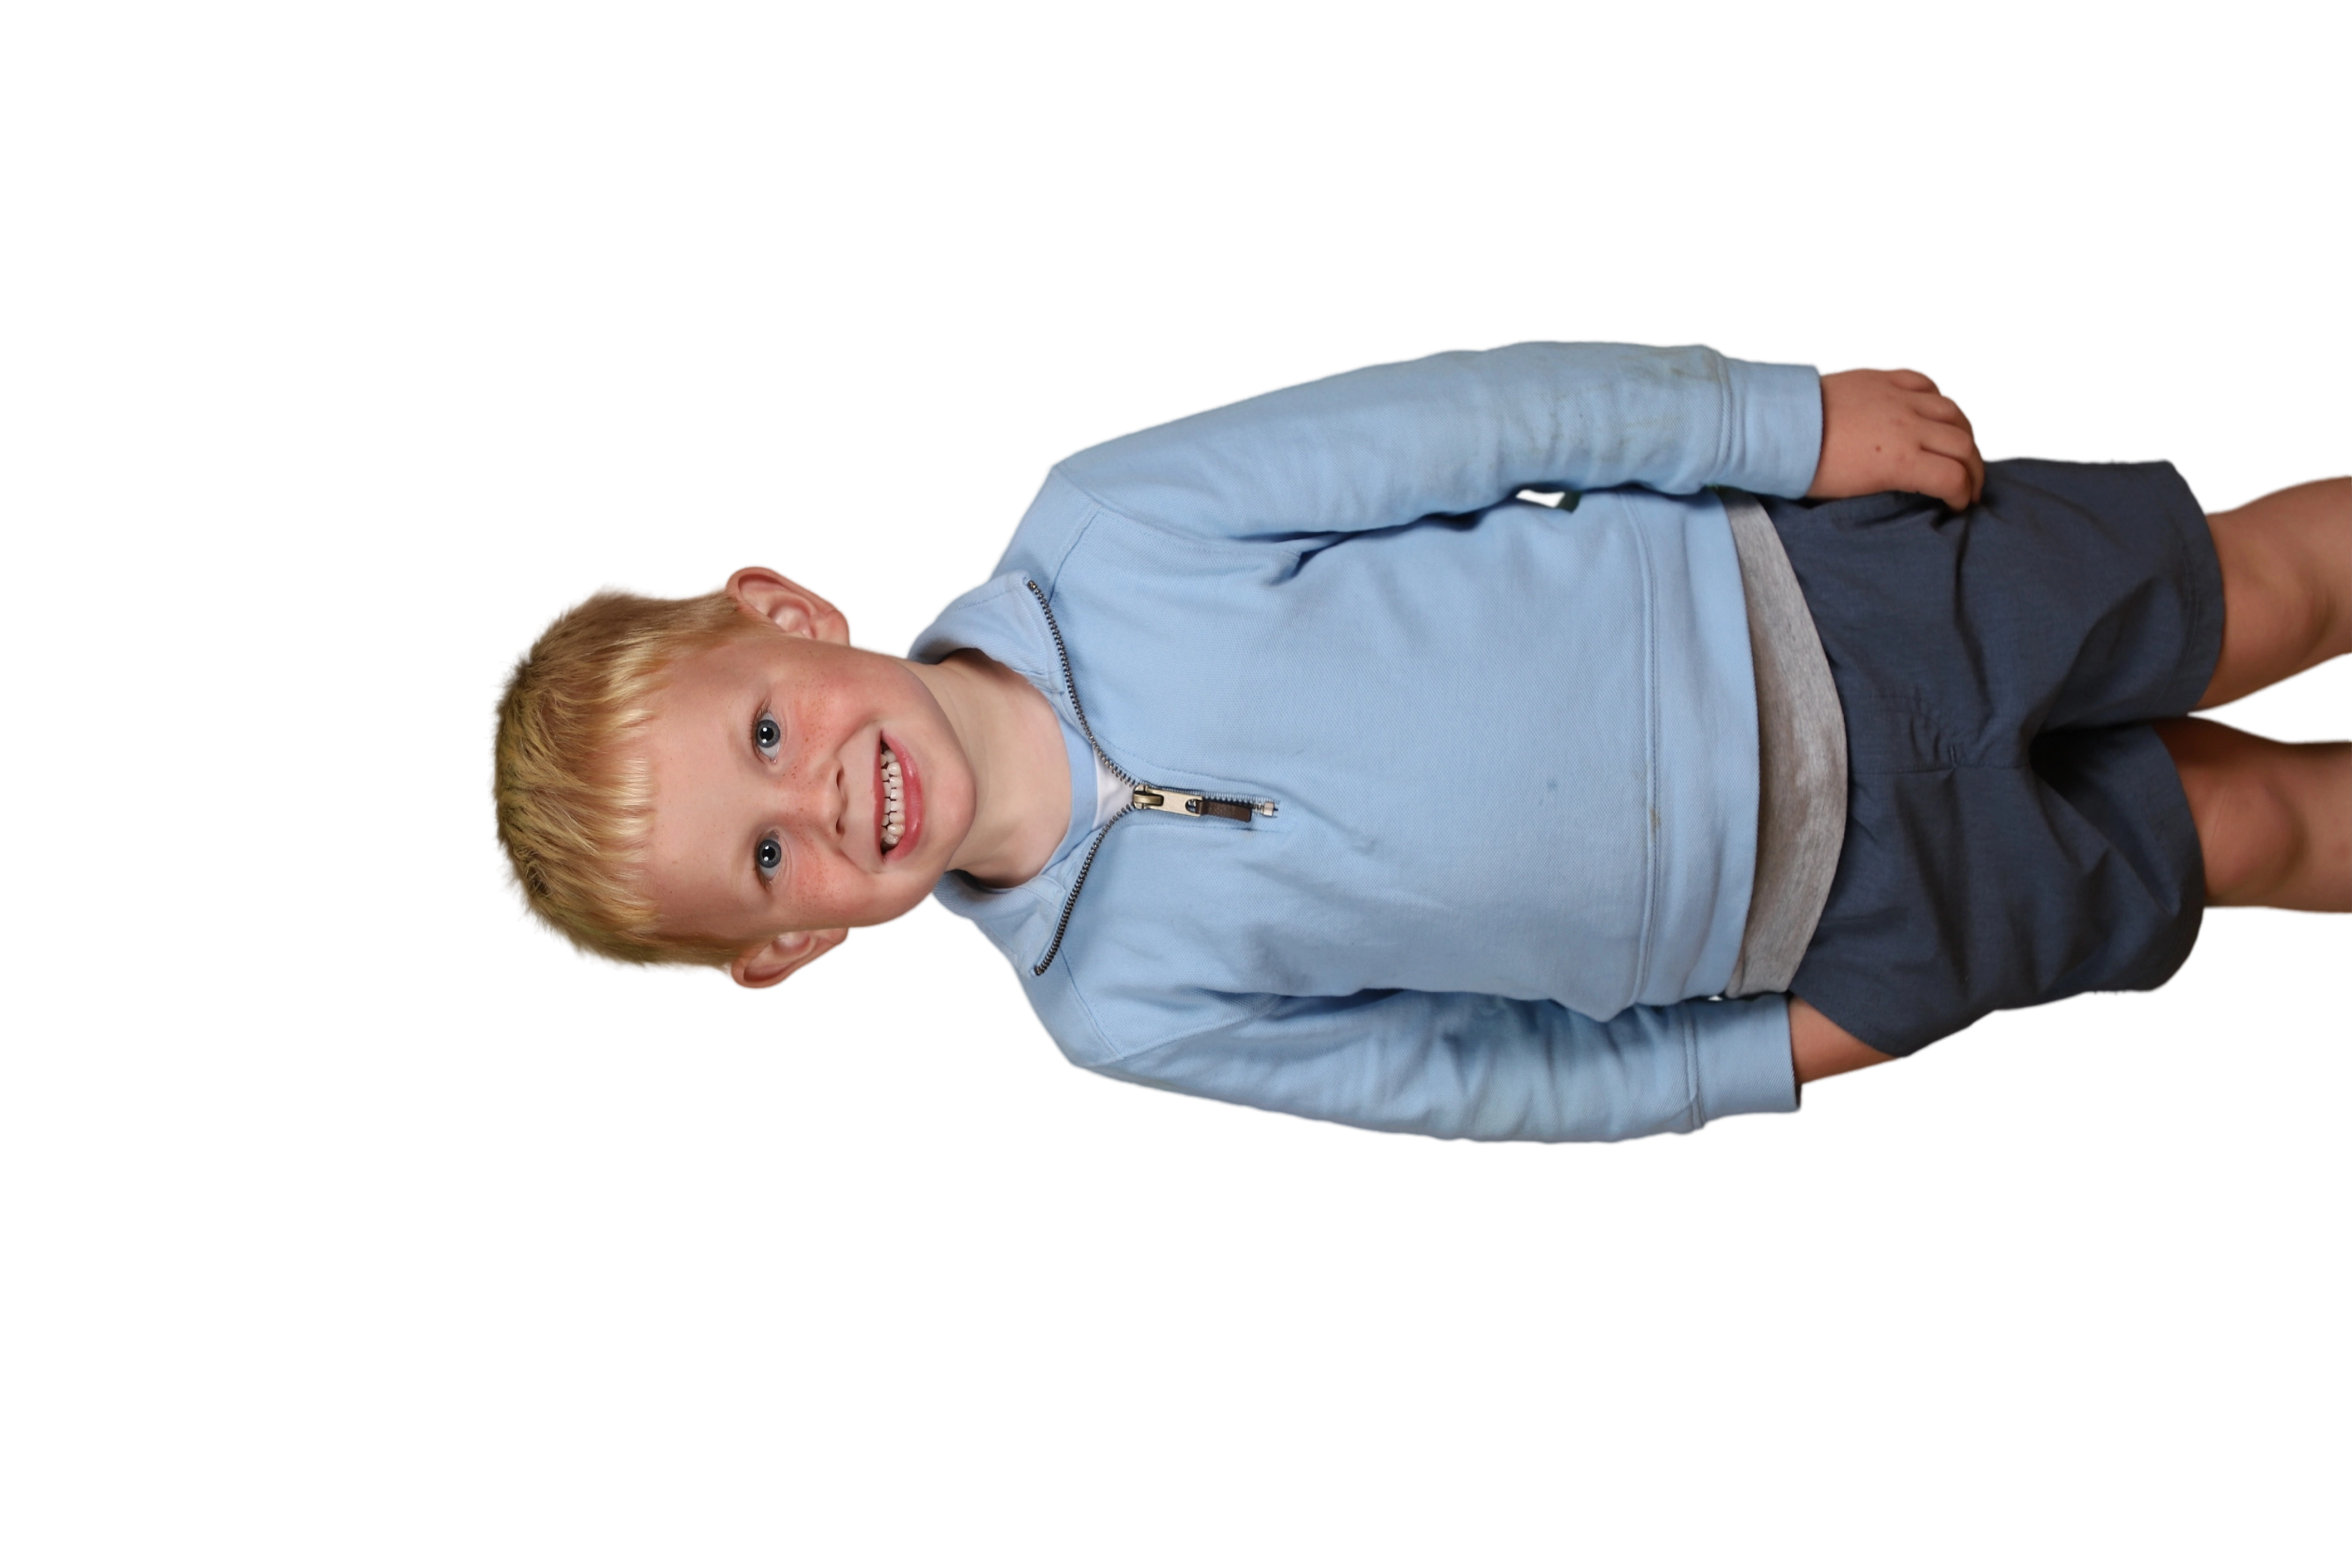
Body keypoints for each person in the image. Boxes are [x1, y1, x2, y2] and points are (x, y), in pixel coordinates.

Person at [484, 337, 2351, 1146]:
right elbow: (1470, 1081)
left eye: (763, 732)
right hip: (1827, 920)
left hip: (1819, 607)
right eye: (763, 857)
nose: (817, 799)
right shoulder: (1118, 1010)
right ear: (793, 945)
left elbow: (1467, 427)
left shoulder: (1111, 532)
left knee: (2261, 597)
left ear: (786, 614)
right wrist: (1757, 1060)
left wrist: (1775, 425)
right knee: (2249, 835)